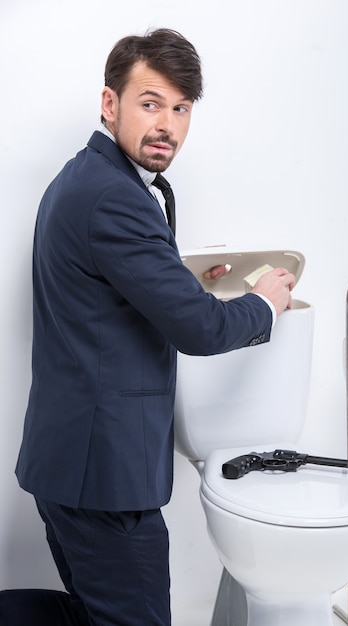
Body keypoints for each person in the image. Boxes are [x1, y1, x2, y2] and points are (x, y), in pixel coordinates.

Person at [5, 28, 294, 626]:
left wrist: (189, 279)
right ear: (110, 104)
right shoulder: (114, 197)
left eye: (181, 108)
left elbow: (116, 285)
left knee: (96, 611)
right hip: (104, 475)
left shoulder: (90, 178)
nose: (167, 124)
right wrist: (264, 302)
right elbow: (199, 330)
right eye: (151, 102)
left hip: (73, 462)